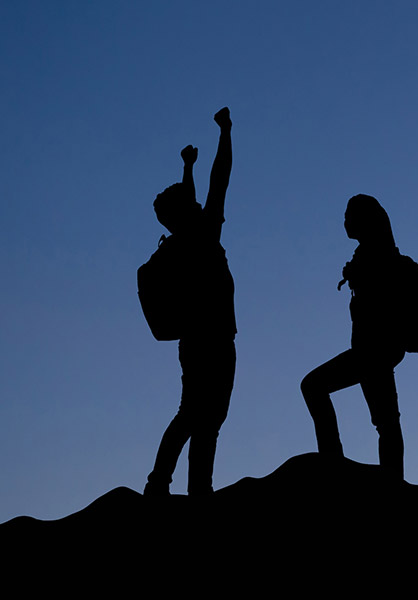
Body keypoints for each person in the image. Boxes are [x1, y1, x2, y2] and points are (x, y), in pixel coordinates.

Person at [145, 107, 234, 497]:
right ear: (186, 212)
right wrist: (225, 132)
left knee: (194, 414)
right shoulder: (204, 234)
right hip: (213, 340)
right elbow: (222, 177)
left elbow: (194, 196)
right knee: (203, 417)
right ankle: (187, 487)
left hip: (194, 341)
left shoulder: (180, 243)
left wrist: (186, 167)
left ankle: (171, 484)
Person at [300, 194, 418, 481]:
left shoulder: (376, 256)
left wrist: (358, 275)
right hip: (375, 349)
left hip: (374, 350)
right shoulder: (370, 254)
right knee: (386, 421)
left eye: (349, 216)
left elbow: (378, 302)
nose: (344, 222)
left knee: (315, 387)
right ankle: (389, 477)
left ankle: (335, 463)